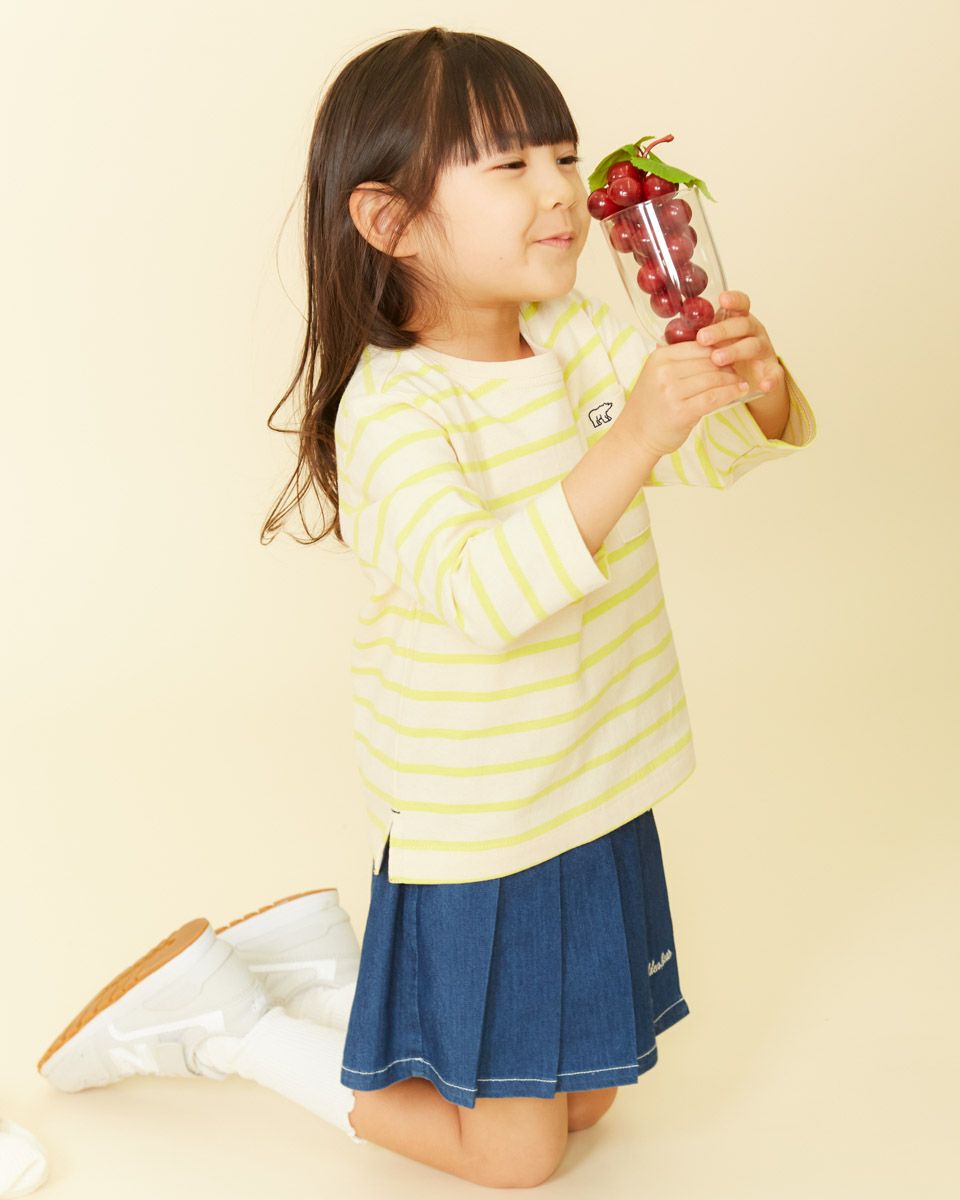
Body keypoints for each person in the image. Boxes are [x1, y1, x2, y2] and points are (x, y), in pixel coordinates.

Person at [36, 25, 817, 1190]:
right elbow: (486, 595)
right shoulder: (397, 412)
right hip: (490, 815)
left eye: (565, 157)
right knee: (519, 1157)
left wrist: (756, 389)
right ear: (391, 222)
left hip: (592, 776)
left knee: (591, 1097)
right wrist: (636, 436)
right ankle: (227, 1027)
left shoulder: (576, 337)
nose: (560, 193)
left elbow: (700, 456)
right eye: (511, 167)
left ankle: (327, 975)